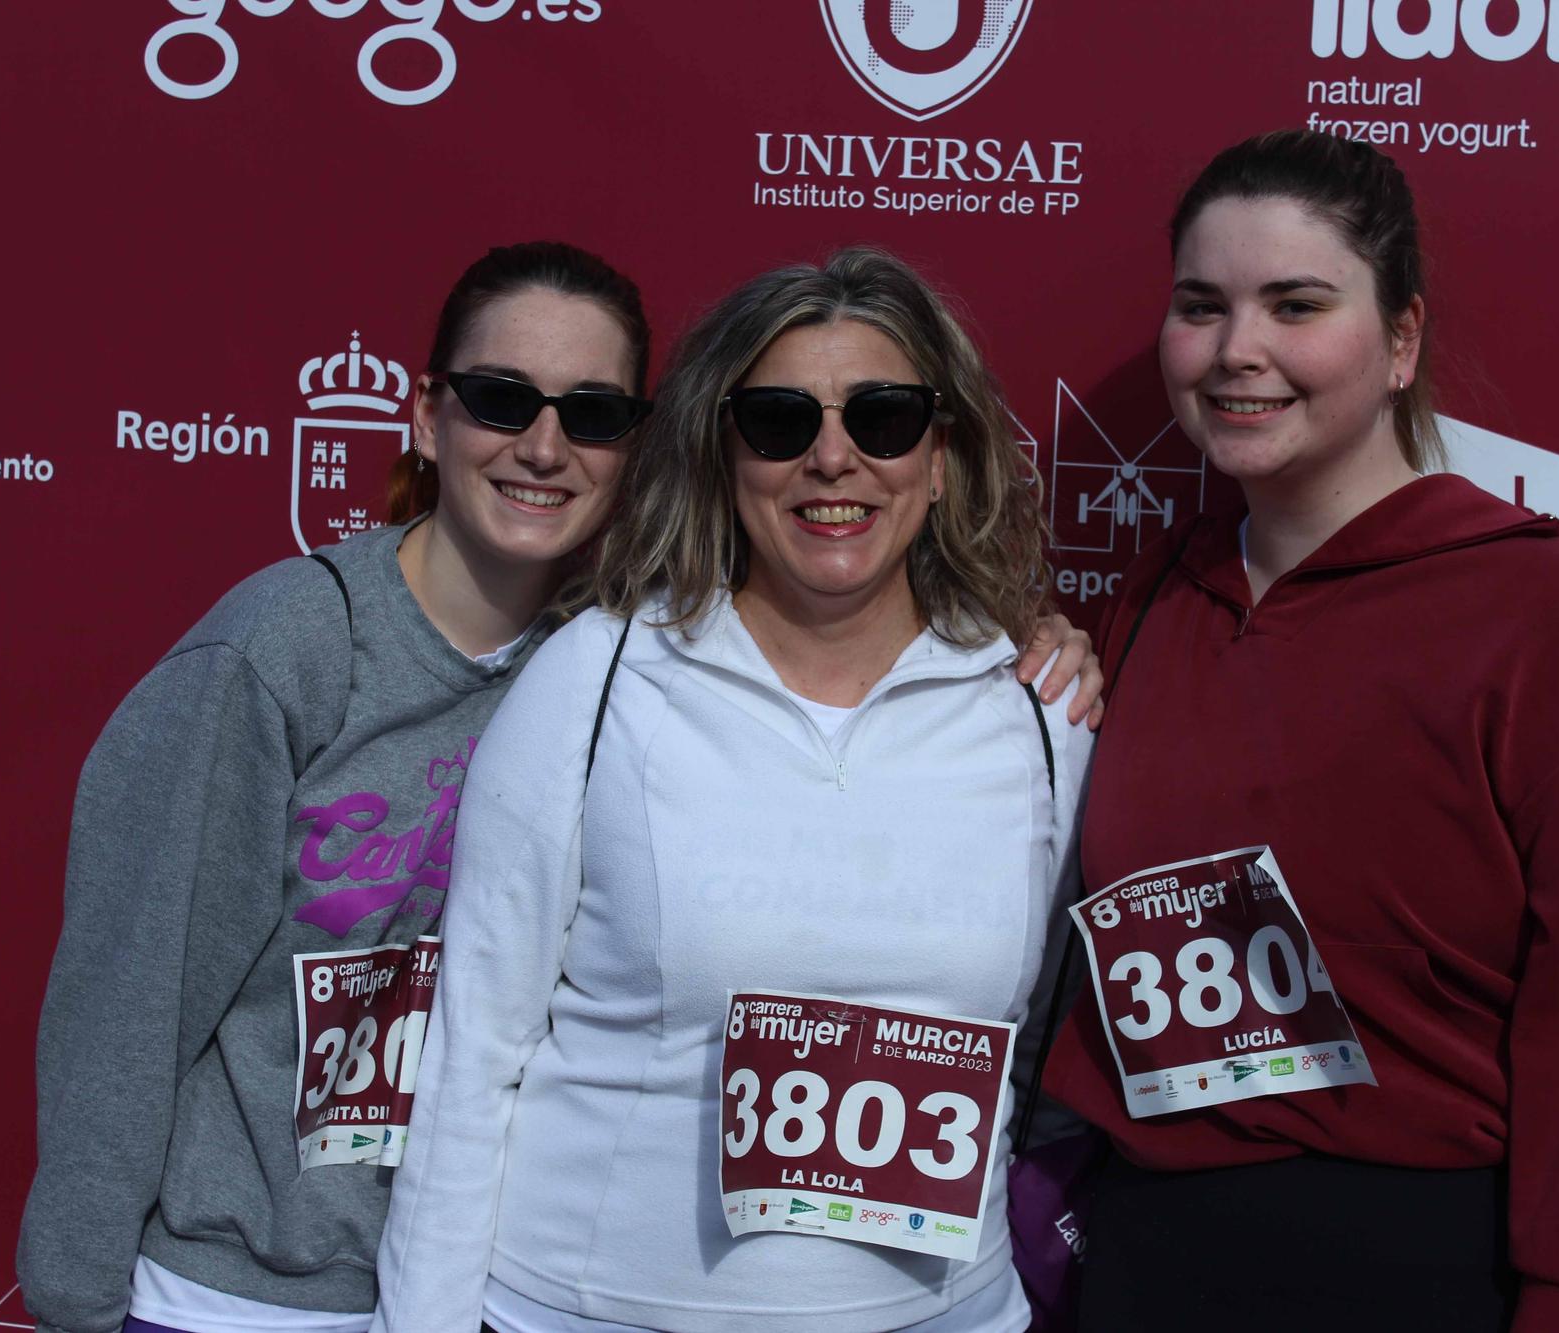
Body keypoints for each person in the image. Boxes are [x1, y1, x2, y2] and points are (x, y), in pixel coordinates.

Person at [18, 239, 1104, 1333]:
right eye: (500, 400)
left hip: (818, 1295)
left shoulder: (631, 660)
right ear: (426, 414)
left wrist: (1021, 653)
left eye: (590, 415)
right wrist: (74, 1294)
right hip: (253, 1286)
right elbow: (132, 999)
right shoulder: (345, 655)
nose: (543, 446)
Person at [1041, 129, 1559, 1333]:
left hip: (1455, 1273)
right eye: (1201, 306)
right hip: (1167, 1265)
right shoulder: (1146, 601)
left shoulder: (1549, 619)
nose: (1237, 349)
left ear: (1400, 340)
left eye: (1294, 304)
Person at [372, 246, 1095, 1333]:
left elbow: (1033, 1048)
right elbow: (472, 1053)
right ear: (722, 453)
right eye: (778, 421)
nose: (833, 459)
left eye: (885, 419)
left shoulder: (1042, 718)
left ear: (940, 458)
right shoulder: (596, 682)